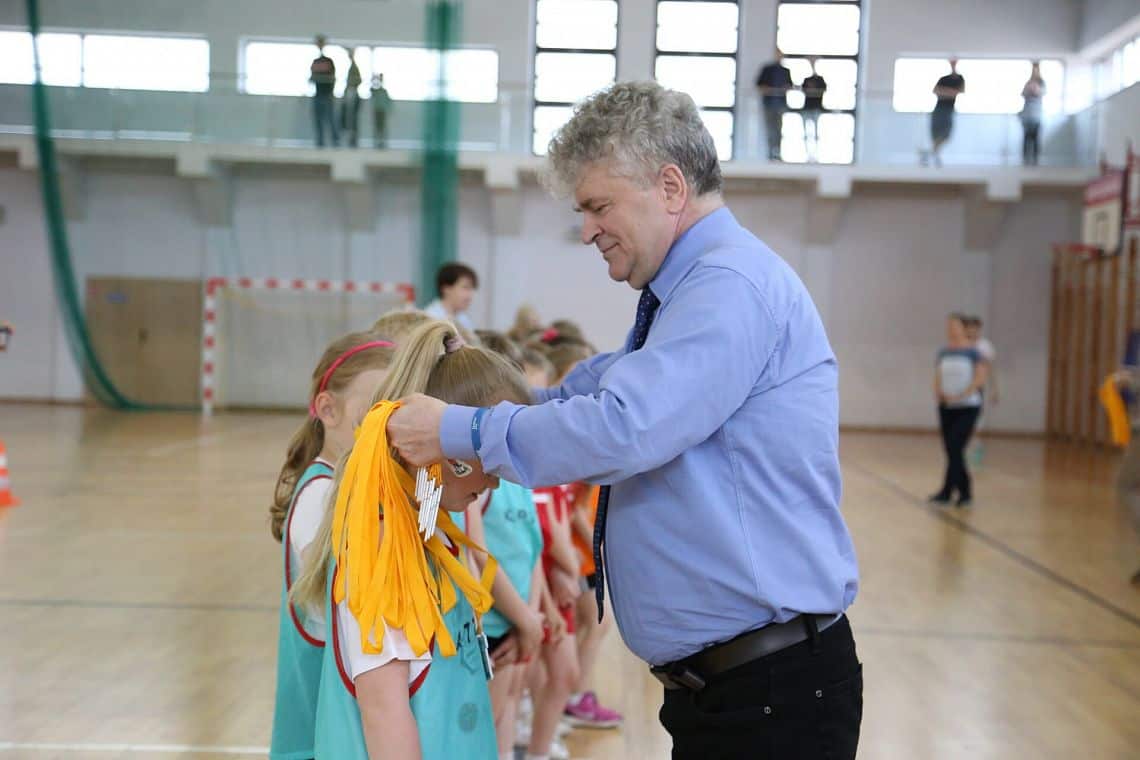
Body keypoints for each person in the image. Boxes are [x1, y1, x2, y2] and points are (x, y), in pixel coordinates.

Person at [386, 81, 862, 760]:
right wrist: (477, 397)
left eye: (598, 206)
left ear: (670, 187)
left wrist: (459, 431)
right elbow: (585, 394)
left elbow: (622, 427)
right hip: (739, 689)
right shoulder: (691, 293)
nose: (587, 231)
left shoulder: (728, 287)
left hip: (768, 693)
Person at [291, 320, 534, 760]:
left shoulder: (431, 529)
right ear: (442, 449)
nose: (496, 483)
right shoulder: (383, 551)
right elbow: (384, 713)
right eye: (490, 460)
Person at [268, 332, 394, 760]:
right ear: (328, 409)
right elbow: (362, 612)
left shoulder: (356, 489)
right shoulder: (323, 496)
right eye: (374, 408)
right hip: (319, 740)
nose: (386, 423)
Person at [930, 313, 988, 507]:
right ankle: (951, 492)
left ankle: (960, 491)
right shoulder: (943, 352)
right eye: (949, 326)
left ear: (964, 328)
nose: (951, 329)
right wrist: (938, 391)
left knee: (956, 447)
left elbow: (980, 378)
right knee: (951, 450)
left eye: (955, 326)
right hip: (947, 407)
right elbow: (938, 375)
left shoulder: (974, 352)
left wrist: (962, 395)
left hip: (967, 407)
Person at [926, 58, 965, 167]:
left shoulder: (960, 78)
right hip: (939, 108)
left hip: (949, 109)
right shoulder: (943, 78)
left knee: (946, 134)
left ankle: (931, 153)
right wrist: (950, 92)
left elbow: (960, 91)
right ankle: (933, 154)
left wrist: (944, 91)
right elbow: (935, 90)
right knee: (935, 133)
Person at [756, 53, 794, 161]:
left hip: (780, 104)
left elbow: (789, 86)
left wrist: (784, 89)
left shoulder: (786, 71)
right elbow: (759, 84)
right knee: (770, 128)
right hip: (769, 103)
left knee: (778, 128)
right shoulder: (767, 69)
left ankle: (777, 152)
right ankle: (770, 152)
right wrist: (767, 89)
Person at [424, 262, 478, 331]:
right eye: (465, 287)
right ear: (446, 289)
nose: (470, 295)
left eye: (472, 289)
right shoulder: (430, 318)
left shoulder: (464, 319)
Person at [310, 36, 338, 148]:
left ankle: (335, 140)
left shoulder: (329, 61)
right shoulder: (315, 61)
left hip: (327, 95)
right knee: (318, 119)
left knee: (331, 119)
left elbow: (332, 78)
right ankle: (320, 141)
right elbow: (312, 77)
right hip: (318, 94)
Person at [801, 57, 827, 163]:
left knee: (816, 132)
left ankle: (816, 153)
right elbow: (803, 90)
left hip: (817, 108)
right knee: (806, 132)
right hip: (807, 108)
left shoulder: (820, 80)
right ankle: (807, 153)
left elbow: (823, 90)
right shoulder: (806, 79)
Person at [1020, 62, 1046, 166]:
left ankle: (1035, 160)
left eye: (1036, 69)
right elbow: (1022, 94)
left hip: (1037, 116)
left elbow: (1043, 93)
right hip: (1027, 115)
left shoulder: (1042, 83)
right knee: (1026, 138)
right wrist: (1028, 90)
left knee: (1035, 139)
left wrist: (1036, 90)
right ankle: (1025, 159)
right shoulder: (1028, 82)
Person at [341, 57, 364, 148]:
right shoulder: (350, 67)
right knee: (347, 119)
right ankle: (349, 139)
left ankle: (353, 140)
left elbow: (359, 80)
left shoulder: (354, 68)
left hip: (353, 95)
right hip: (349, 95)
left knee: (353, 120)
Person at [370, 73, 392, 148]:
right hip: (376, 110)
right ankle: (377, 142)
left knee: (382, 127)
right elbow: (371, 89)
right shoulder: (375, 91)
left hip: (383, 111)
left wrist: (389, 109)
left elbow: (388, 102)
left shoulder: (384, 91)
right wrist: (374, 79)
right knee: (377, 127)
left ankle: (382, 142)